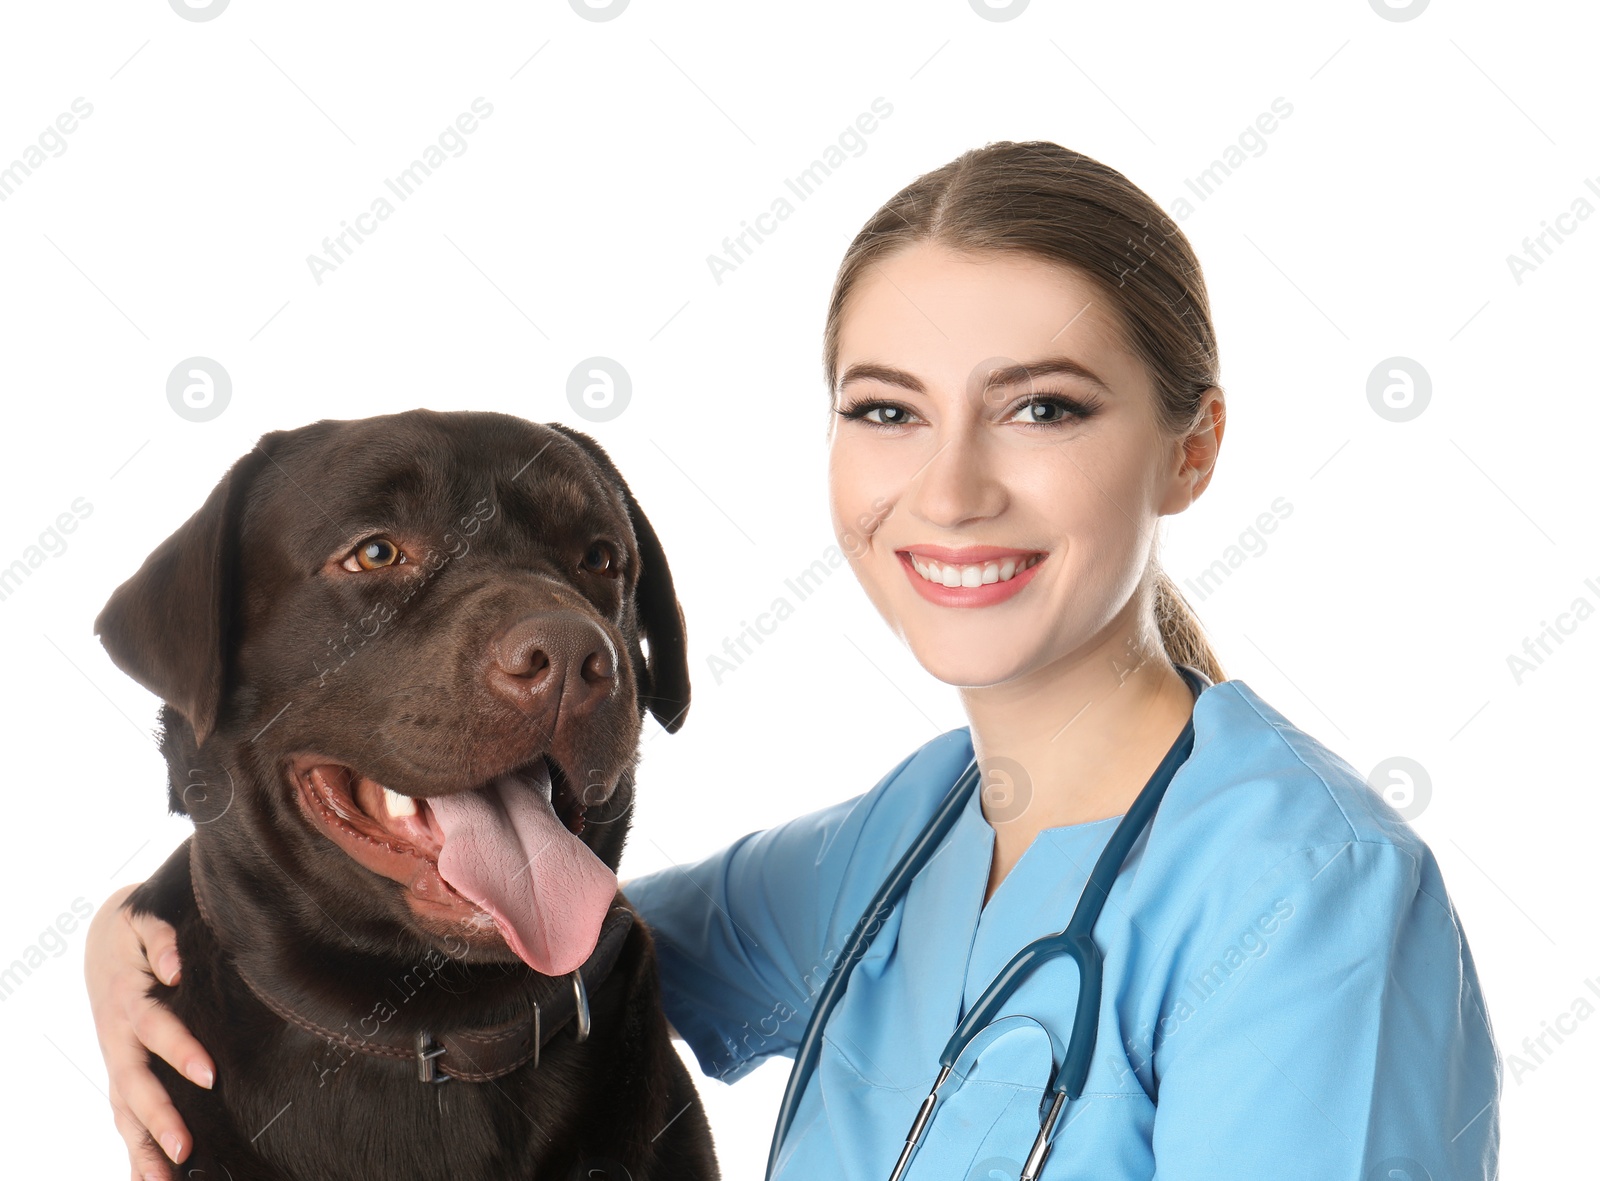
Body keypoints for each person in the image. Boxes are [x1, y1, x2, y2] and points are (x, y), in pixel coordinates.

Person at [84, 141, 1501, 1180]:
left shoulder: (1308, 902)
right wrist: (151, 940)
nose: (949, 487)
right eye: (887, 410)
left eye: (1044, 408)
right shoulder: (911, 840)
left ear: (1191, 449)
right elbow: (543, 933)